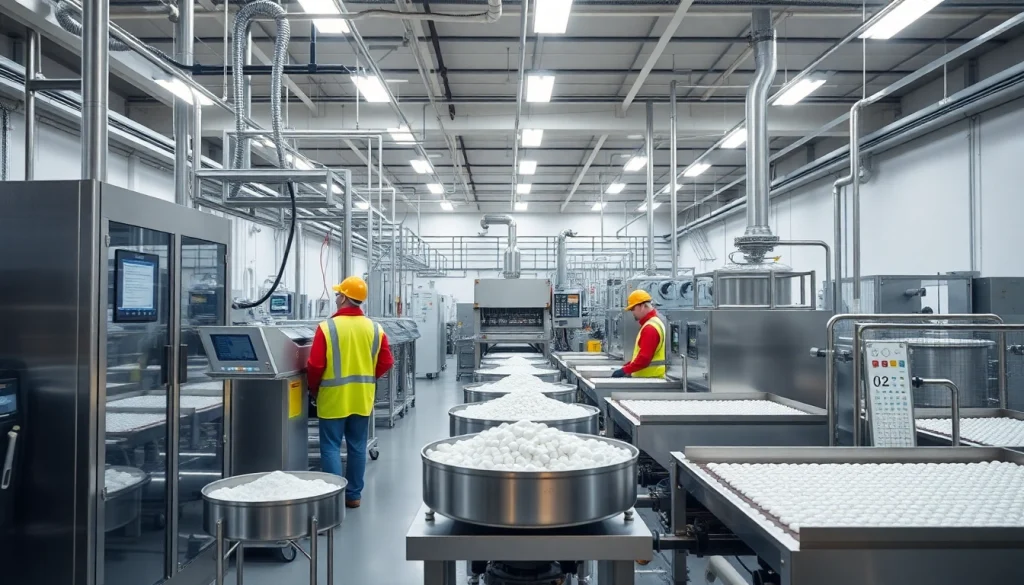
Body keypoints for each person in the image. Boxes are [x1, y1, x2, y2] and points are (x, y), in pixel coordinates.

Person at [306, 276, 394, 508]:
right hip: (362, 397)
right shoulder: (375, 328)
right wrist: (369, 378)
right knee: (357, 445)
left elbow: (315, 365)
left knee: (331, 446)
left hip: (333, 397)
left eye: (338, 294)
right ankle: (353, 496)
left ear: (344, 297)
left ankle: (334, 498)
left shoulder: (327, 328)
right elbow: (386, 361)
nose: (336, 297)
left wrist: (314, 389)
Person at [611, 290, 666, 379]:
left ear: (642, 306)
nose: (632, 312)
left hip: (649, 380)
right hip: (649, 378)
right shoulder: (653, 323)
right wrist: (627, 367)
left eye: (633, 309)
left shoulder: (650, 328)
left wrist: (625, 370)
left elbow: (644, 359)